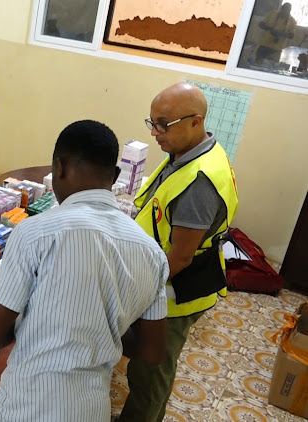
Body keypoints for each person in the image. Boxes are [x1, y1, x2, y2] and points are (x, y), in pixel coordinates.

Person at [0, 120, 169, 421]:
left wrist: (31, 321)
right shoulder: (152, 254)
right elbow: (152, 352)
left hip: (24, 405)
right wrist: (103, 325)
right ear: (115, 176)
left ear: (59, 167)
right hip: (91, 408)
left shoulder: (35, 234)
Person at [119, 82, 239, 422]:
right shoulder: (189, 153)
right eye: (152, 122)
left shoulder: (199, 183)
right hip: (162, 280)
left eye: (163, 124)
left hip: (173, 294)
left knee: (149, 372)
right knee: (151, 367)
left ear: (195, 121)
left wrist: (136, 291)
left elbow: (181, 257)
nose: (155, 132)